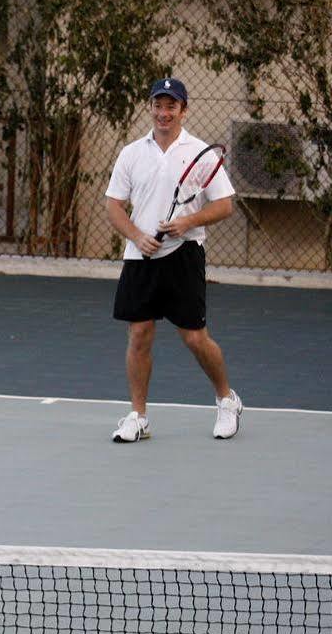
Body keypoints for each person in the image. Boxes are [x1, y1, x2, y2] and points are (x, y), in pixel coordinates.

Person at [103, 77, 242, 443]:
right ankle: (138, 416)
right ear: (150, 107)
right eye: (158, 105)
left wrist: (188, 221)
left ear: (183, 110)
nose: (163, 113)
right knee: (139, 334)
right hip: (140, 256)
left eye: (171, 106)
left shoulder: (199, 152)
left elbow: (225, 204)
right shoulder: (131, 153)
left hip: (184, 255)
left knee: (195, 338)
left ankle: (227, 400)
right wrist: (136, 235)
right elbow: (113, 205)